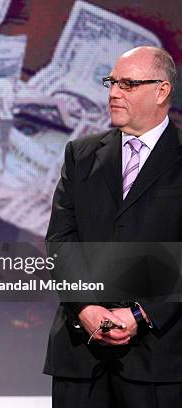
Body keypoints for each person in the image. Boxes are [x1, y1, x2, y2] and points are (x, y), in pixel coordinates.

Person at [44, 46, 181, 407]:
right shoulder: (82, 153)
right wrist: (86, 306)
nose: (113, 93)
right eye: (112, 82)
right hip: (80, 353)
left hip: (160, 358)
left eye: (128, 84)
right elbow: (61, 238)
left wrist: (141, 313)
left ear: (162, 90)